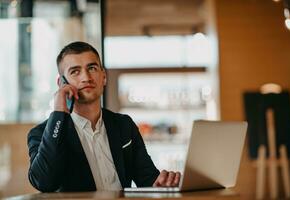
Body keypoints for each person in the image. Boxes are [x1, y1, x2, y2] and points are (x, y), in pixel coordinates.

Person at [27, 41, 181, 192]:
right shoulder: (40, 134)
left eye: (92, 68)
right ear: (61, 83)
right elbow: (44, 182)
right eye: (75, 71)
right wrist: (59, 112)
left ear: (104, 76)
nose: (86, 77)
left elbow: (147, 179)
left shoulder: (124, 125)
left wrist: (162, 183)